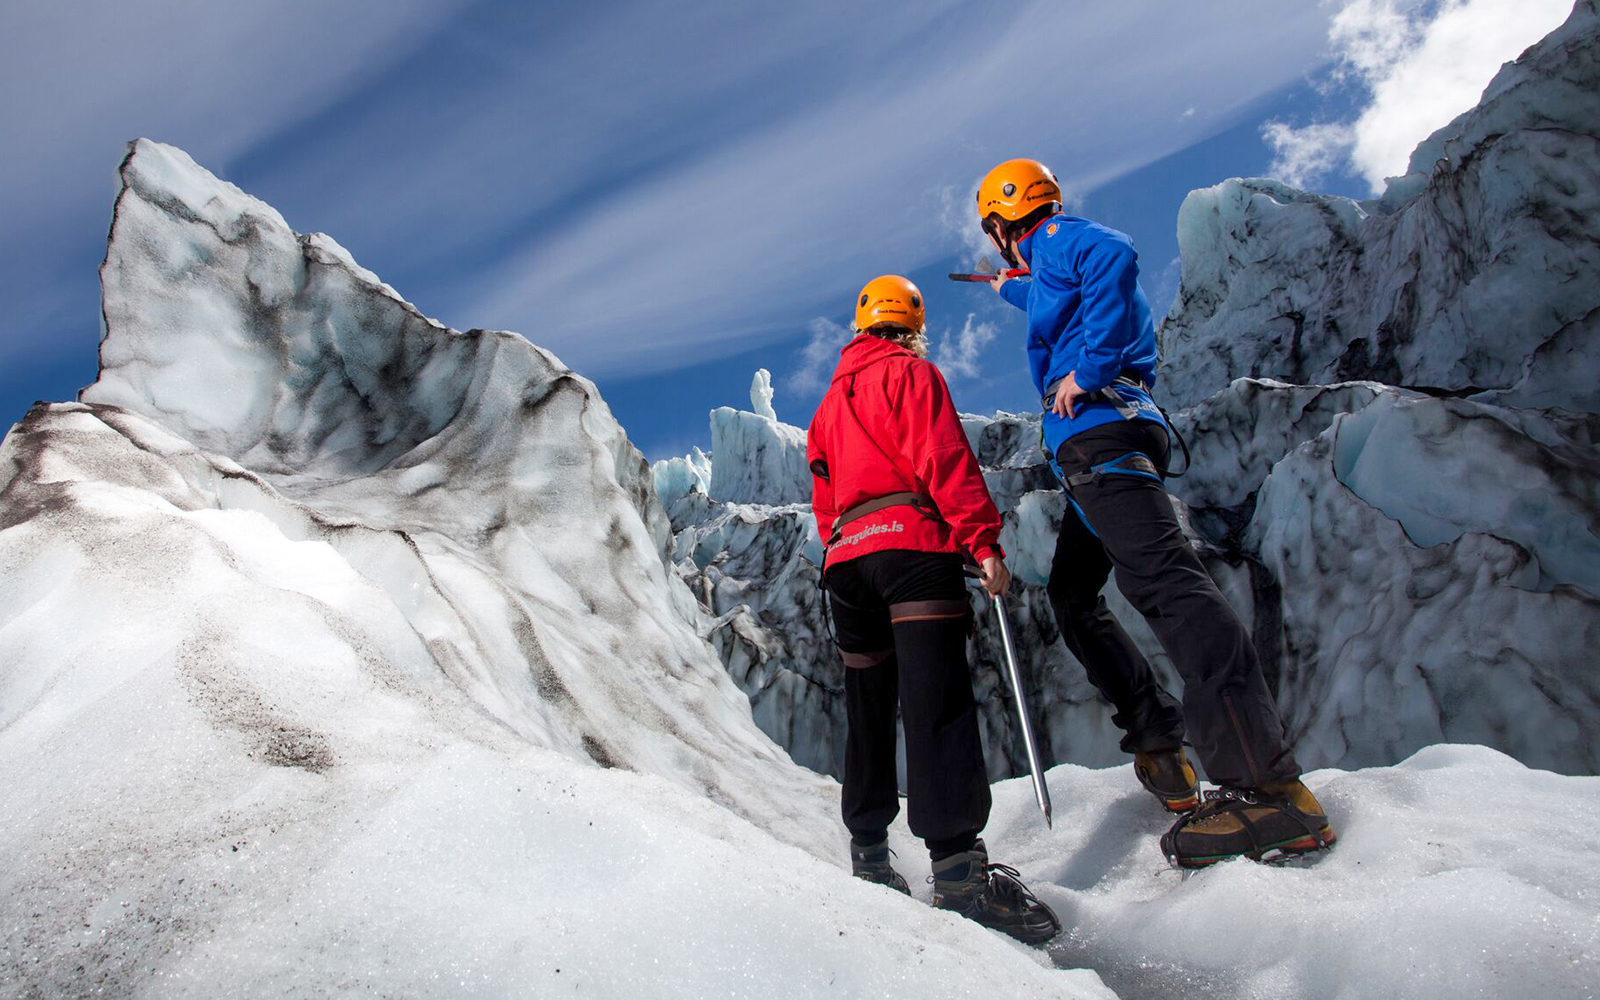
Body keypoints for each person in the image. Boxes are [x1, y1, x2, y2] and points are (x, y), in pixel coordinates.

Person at [972, 158, 1336, 868]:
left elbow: (1110, 255)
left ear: (1001, 224)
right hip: (1103, 444)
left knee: (1169, 584)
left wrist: (1093, 367)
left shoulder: (1063, 239)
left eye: (995, 238)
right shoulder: (1044, 260)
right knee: (1076, 599)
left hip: (1101, 432)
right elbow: (1060, 294)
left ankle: (1270, 790)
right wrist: (1011, 289)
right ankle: (1160, 746)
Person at [807, 274, 1060, 944]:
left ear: (862, 327)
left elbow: (825, 500)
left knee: (867, 707)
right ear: (910, 325)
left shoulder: (828, 406)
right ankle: (958, 873)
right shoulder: (910, 376)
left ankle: (868, 855)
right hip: (912, 547)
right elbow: (943, 459)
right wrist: (982, 544)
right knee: (934, 700)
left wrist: (843, 548)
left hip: (847, 562)